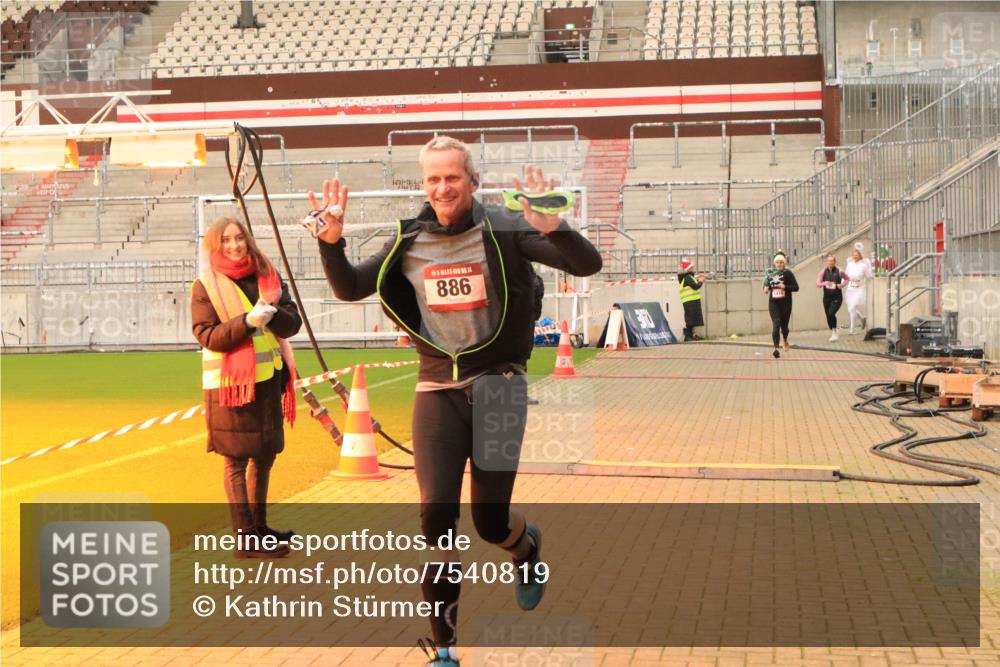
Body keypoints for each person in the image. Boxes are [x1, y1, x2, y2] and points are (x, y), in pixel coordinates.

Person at [306, 137, 602, 666]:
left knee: (489, 522)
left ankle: (525, 547)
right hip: (436, 387)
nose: (442, 188)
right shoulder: (409, 240)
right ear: (424, 186)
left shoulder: (506, 231)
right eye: (432, 180)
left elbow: (587, 265)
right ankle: (445, 650)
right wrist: (331, 243)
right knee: (436, 517)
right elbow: (351, 287)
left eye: (452, 178)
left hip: (500, 386)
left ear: (473, 182)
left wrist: (555, 228)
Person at [191, 216, 302, 558]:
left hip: (268, 381)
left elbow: (293, 321)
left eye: (239, 238)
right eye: (226, 240)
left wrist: (272, 316)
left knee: (265, 455)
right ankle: (245, 538)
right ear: (215, 245)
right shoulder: (206, 284)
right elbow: (206, 334)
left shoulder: (266, 273)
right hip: (230, 387)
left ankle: (260, 528)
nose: (235, 245)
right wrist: (247, 322)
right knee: (236, 461)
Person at [762, 250, 799, 358]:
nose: (779, 264)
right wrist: (765, 288)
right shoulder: (770, 273)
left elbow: (796, 287)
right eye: (777, 262)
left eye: (781, 262)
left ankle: (785, 339)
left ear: (784, 263)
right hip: (774, 303)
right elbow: (766, 285)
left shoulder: (788, 273)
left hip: (786, 304)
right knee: (776, 324)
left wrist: (785, 287)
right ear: (774, 263)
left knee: (784, 327)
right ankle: (776, 348)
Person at [816, 253, 847, 342]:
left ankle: (834, 332)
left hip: (837, 297)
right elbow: (817, 284)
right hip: (826, 298)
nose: (830, 262)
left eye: (832, 261)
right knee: (828, 315)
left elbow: (847, 278)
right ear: (827, 262)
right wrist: (824, 283)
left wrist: (842, 284)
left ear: (835, 262)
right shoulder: (823, 272)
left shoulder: (840, 271)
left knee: (831, 313)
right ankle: (833, 329)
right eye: (829, 261)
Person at [844, 246, 874, 335]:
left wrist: (871, 276)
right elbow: (845, 275)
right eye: (854, 255)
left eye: (856, 255)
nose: (855, 257)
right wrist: (842, 284)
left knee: (852, 307)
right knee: (851, 309)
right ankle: (861, 318)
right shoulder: (850, 264)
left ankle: (852, 329)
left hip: (859, 288)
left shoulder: (863, 266)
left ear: (860, 256)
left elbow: (869, 276)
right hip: (850, 288)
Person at [677, 258, 706, 341]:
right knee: (691, 319)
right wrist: (701, 281)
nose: (693, 269)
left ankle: (690, 335)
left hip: (690, 301)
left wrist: (699, 280)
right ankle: (688, 336)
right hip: (690, 301)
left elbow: (694, 283)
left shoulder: (688, 277)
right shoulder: (687, 277)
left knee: (691, 319)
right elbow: (696, 286)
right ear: (688, 269)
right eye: (691, 267)